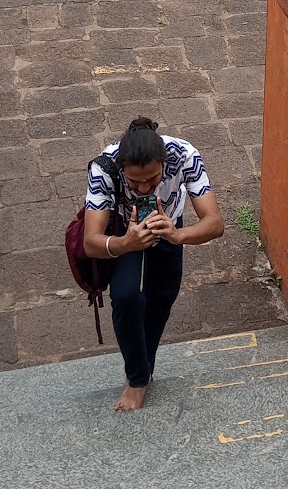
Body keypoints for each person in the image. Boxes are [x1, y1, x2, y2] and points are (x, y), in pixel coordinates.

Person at [81, 117, 224, 412]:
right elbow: (90, 241)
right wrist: (125, 243)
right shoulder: (104, 167)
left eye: (153, 179)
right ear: (122, 169)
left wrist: (177, 234)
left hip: (169, 220)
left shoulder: (184, 155)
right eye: (135, 181)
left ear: (164, 163)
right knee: (125, 296)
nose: (145, 188)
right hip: (123, 226)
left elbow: (215, 222)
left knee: (162, 296)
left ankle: (144, 366)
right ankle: (136, 379)